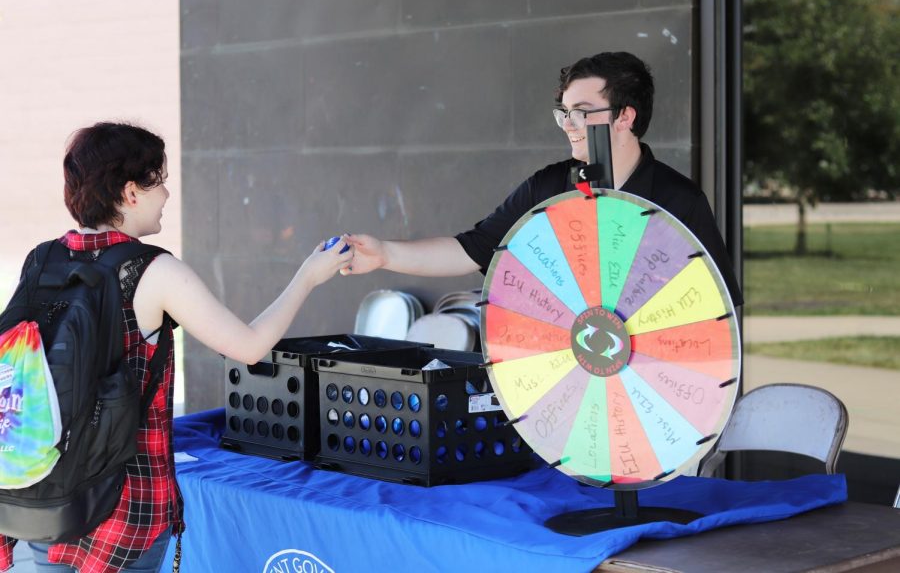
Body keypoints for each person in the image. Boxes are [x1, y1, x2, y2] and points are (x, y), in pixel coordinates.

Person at [0, 122, 353, 572]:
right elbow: (248, 347)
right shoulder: (151, 269)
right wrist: (308, 275)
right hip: (124, 506)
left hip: (42, 493)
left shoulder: (42, 259)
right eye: (159, 181)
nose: (166, 194)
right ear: (130, 192)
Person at [344, 51, 743, 306]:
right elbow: (475, 248)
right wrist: (385, 255)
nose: (569, 125)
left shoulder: (679, 200)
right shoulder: (549, 188)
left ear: (625, 116)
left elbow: (717, 309)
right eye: (564, 113)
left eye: (582, 112)